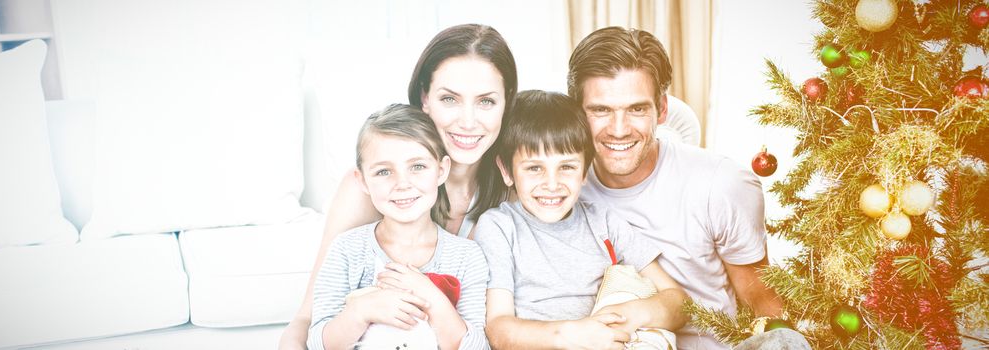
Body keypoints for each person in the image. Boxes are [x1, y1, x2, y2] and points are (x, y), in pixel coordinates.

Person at [280, 23, 517, 349]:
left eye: (486, 102)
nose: (467, 121)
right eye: (450, 98)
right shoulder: (369, 190)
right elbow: (308, 319)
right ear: (425, 98)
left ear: (506, 103)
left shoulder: (517, 189)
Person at [569, 27, 806, 349]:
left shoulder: (720, 183)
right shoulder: (559, 192)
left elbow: (760, 297)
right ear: (576, 114)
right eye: (600, 110)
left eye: (636, 109)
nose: (619, 129)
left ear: (662, 109)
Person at [472, 90, 690, 350]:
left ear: (585, 170)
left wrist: (629, 315)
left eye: (567, 167)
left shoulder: (603, 223)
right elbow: (499, 329)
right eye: (534, 168)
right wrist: (573, 335)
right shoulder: (499, 227)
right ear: (507, 171)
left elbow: (680, 303)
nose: (552, 184)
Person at [306, 104, 490, 350]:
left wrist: (433, 299)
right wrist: (361, 311)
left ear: (441, 170)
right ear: (362, 181)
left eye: (417, 167)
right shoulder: (347, 249)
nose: (402, 183)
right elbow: (318, 343)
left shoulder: (467, 256)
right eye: (383, 171)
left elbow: (478, 346)